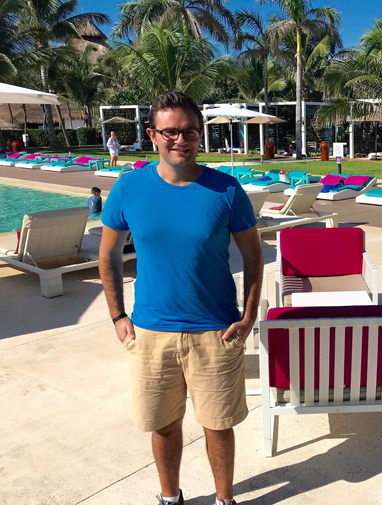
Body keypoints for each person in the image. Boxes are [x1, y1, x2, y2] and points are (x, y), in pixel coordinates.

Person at [98, 91, 264, 505]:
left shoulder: (226, 189)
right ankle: (170, 497)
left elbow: (253, 255)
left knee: (218, 426)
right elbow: (108, 255)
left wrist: (247, 318)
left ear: (199, 134)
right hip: (152, 332)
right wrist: (118, 315)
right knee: (164, 426)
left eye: (189, 131)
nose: (180, 140)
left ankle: (225, 499)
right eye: (170, 131)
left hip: (216, 330)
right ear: (152, 135)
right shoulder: (129, 188)